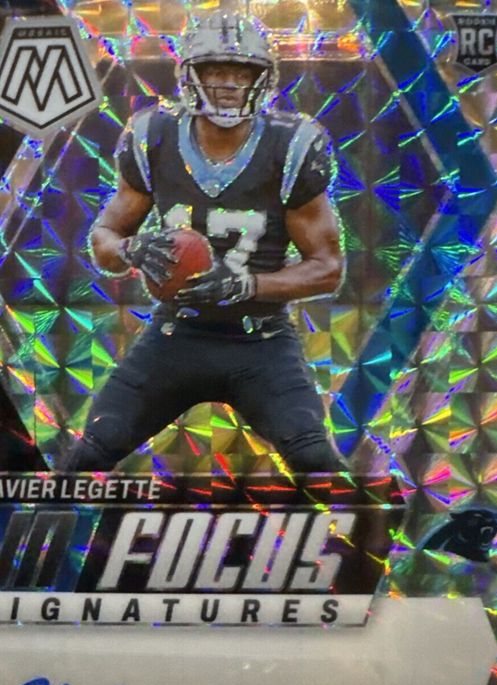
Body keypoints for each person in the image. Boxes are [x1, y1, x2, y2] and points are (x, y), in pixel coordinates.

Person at [62, 11, 345, 474]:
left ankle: (360, 527)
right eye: (216, 70)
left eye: (242, 73)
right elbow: (105, 239)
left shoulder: (290, 145)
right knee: (90, 452)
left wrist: (246, 285)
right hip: (177, 333)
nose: (229, 84)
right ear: (191, 75)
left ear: (261, 79)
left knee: (315, 458)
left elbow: (328, 268)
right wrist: (131, 250)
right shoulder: (153, 135)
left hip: (260, 340)